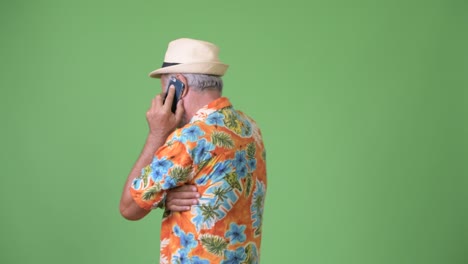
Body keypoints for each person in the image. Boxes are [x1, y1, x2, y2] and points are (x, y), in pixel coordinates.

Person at [119, 38, 267, 263]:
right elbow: (210, 187)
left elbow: (129, 207)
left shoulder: (189, 139)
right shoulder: (248, 127)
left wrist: (157, 134)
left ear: (178, 86)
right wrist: (165, 197)